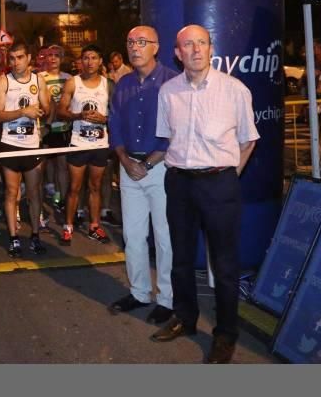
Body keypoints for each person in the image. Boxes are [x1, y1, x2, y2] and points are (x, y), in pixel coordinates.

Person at [152, 24, 258, 364]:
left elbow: (248, 140)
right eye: (188, 44)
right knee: (180, 258)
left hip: (219, 185)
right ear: (177, 53)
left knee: (224, 264)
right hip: (179, 183)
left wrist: (228, 174)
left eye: (202, 43)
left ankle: (225, 334)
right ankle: (185, 318)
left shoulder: (234, 90)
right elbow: (167, 137)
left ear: (211, 48)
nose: (196, 50)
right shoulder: (168, 92)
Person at [107, 26, 177, 324]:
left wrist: (147, 164)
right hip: (128, 168)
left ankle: (167, 299)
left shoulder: (173, 82)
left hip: (161, 168)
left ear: (156, 47)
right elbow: (115, 124)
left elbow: (176, 131)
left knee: (164, 237)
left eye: (142, 42)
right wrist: (124, 159)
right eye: (130, 42)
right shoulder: (122, 84)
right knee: (133, 236)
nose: (135, 47)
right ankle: (139, 293)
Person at [0, 42, 50, 256]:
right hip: (9, 144)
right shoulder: (3, 81)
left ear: (29, 58)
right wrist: (22, 112)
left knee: (34, 193)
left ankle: (35, 236)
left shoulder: (38, 80)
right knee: (11, 192)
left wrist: (45, 109)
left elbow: (47, 109)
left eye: (20, 57)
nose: (16, 62)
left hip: (32, 144)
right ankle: (14, 238)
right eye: (12, 58)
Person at [56, 44, 113, 246]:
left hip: (99, 143)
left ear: (100, 61)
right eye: (86, 58)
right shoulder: (73, 82)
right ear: (81, 61)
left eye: (94, 58)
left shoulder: (108, 84)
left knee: (95, 186)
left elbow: (117, 115)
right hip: (78, 142)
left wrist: (103, 119)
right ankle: (68, 226)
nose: (89, 62)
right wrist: (78, 115)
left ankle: (94, 226)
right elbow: (60, 111)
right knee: (75, 187)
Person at [40, 45, 72, 213]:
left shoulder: (69, 78)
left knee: (62, 165)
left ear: (61, 58)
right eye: (49, 55)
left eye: (56, 56)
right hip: (45, 128)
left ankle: (61, 196)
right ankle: (43, 194)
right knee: (42, 165)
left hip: (62, 128)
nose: (52, 58)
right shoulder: (39, 77)